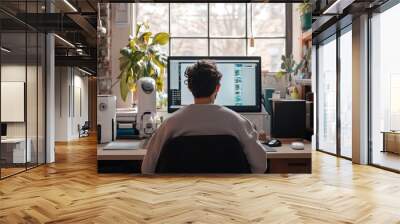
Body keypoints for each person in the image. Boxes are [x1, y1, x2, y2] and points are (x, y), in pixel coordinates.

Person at [141, 60, 267, 174]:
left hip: (180, 195)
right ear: (217, 88)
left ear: (190, 87)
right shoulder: (238, 122)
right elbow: (261, 166)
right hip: (228, 195)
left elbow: (147, 169)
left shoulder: (170, 124)